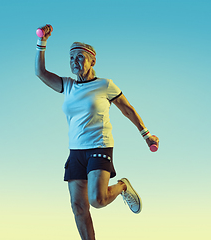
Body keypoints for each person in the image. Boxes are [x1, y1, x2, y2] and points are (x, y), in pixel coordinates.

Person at [35, 24, 159, 240]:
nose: (75, 62)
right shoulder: (68, 86)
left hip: (99, 147)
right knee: (78, 207)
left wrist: (146, 134)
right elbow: (40, 72)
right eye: (71, 58)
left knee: (97, 200)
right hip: (75, 152)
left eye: (80, 57)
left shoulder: (104, 85)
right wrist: (42, 43)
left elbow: (127, 110)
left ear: (92, 61)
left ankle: (122, 186)